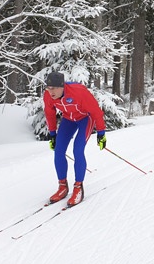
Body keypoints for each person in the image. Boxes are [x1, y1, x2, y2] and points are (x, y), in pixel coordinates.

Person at [43, 71, 107, 207]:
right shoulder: (48, 96)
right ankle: (62, 186)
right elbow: (49, 113)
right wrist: (52, 134)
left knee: (77, 150)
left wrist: (101, 133)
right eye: (48, 88)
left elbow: (96, 112)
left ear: (62, 86)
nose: (50, 91)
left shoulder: (78, 92)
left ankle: (78, 187)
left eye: (54, 88)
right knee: (58, 151)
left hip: (85, 119)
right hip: (68, 119)